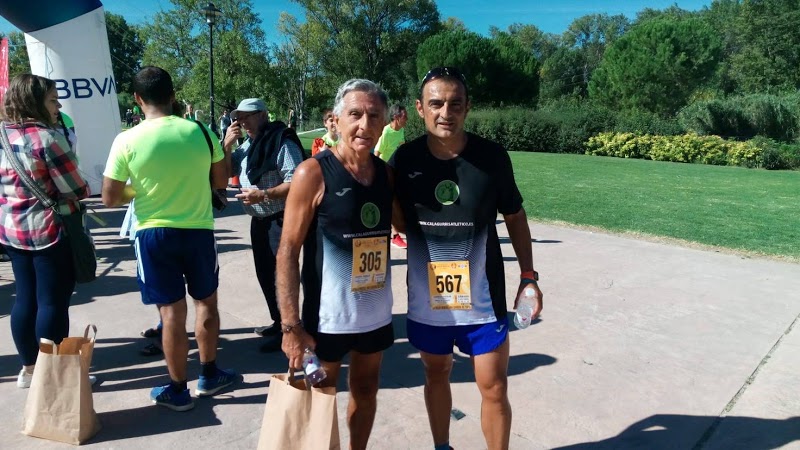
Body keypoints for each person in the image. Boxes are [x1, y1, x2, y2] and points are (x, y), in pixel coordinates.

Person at [390, 67, 544, 450]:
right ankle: (442, 446)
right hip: (429, 300)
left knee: (493, 386)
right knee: (436, 373)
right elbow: (393, 215)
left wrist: (528, 275)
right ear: (420, 108)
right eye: (436, 103)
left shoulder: (491, 157)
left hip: (483, 300)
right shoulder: (404, 160)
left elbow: (515, 217)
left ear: (467, 107)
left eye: (455, 104)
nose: (446, 112)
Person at [102, 66, 239, 412]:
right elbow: (221, 179)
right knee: (206, 303)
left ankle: (178, 390)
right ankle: (209, 375)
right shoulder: (202, 132)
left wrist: (140, 189)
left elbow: (109, 197)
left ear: (137, 99)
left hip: (152, 232)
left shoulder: (127, 139)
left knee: (171, 313)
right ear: (173, 94)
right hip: (198, 230)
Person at [277, 79, 394, 450]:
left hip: (374, 311)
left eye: (374, 116)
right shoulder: (312, 172)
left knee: (366, 388)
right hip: (326, 317)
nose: (365, 125)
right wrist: (290, 325)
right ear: (336, 120)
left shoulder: (385, 174)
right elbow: (287, 250)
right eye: (355, 114)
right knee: (320, 398)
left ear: (385, 122)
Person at [0, 74, 91, 389]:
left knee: (24, 298)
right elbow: (76, 188)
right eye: (53, 100)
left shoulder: (1, 134)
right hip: (48, 230)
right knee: (52, 302)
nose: (58, 105)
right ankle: (53, 377)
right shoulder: (47, 138)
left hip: (11, 231)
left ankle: (28, 368)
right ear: (34, 102)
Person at [222, 98, 305, 353]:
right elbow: (225, 172)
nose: (243, 121)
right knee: (265, 274)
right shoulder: (248, 145)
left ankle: (288, 330)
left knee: (282, 277)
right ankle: (278, 322)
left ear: (263, 115)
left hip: (279, 219)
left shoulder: (281, 141)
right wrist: (226, 146)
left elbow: (297, 181)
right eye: (240, 117)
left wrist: (265, 194)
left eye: (248, 116)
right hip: (259, 220)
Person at [373, 104, 408, 249]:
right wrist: (377, 174)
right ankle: (393, 236)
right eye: (405, 116)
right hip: (384, 173)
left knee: (396, 203)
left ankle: (395, 234)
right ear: (396, 117)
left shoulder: (401, 131)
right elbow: (376, 153)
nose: (407, 119)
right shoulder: (386, 132)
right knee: (386, 204)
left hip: (397, 172)